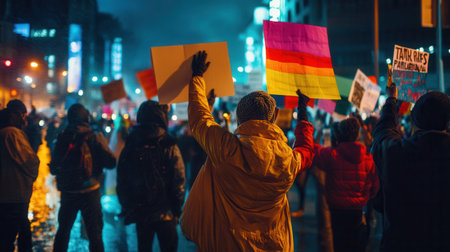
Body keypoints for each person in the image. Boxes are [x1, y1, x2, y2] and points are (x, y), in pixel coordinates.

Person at [180, 51, 315, 251]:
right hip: (274, 244)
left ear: (239, 117)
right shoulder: (288, 160)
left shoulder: (226, 148)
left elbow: (199, 119)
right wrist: (302, 111)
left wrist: (197, 78)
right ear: (275, 116)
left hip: (228, 243)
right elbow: (306, 150)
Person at [371, 84, 450, 251]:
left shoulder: (396, 151)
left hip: (401, 244)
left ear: (415, 119)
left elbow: (382, 133)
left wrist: (391, 100)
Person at [117, 101, 185, 252]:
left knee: (144, 247)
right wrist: (177, 209)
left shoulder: (132, 143)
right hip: (166, 211)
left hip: (141, 212)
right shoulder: (169, 143)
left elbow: (122, 178)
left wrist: (128, 207)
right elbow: (178, 179)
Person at [50, 103, 116, 252]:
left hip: (68, 192)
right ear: (86, 117)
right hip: (90, 191)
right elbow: (111, 162)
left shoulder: (63, 137)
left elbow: (54, 167)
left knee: (63, 232)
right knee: (95, 235)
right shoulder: (94, 137)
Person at [314, 118, 379, 252]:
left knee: (339, 244)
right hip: (357, 211)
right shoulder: (368, 158)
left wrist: (319, 131)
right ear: (357, 135)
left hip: (336, 211)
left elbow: (312, 151)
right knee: (355, 245)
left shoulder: (331, 154)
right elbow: (375, 188)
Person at [0, 106, 40, 252]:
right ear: (14, 115)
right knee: (11, 238)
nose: (24, 120)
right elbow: (29, 161)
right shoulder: (12, 134)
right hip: (14, 195)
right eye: (22, 115)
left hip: (9, 194)